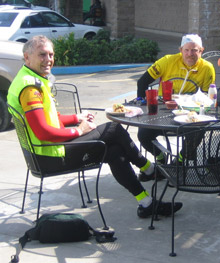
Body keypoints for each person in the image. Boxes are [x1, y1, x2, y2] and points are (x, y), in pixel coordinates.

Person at [7, 35, 182, 219]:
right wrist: (79, 130)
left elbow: (50, 119)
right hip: (50, 156)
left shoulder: (29, 78)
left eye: (51, 54)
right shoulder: (30, 88)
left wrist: (77, 117)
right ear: (27, 57)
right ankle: (149, 169)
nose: (48, 59)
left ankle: (146, 203)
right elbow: (43, 132)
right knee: (113, 129)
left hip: (46, 153)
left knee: (114, 151)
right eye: (42, 55)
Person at [136, 34, 215, 178]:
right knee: (143, 134)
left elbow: (205, 98)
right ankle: (161, 159)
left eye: (194, 50)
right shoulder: (167, 61)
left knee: (199, 129)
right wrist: (142, 104)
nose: (190, 54)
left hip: (189, 112)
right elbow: (142, 82)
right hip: (163, 109)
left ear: (201, 50)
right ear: (180, 50)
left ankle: (178, 163)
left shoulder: (207, 68)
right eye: (186, 50)